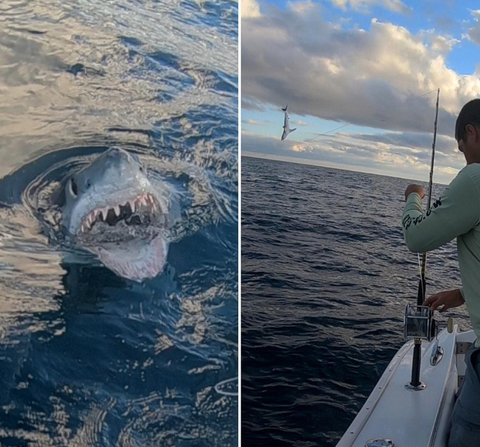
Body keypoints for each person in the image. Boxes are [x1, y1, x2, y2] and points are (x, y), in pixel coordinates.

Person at [402, 98, 480, 446]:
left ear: (470, 132)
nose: (462, 154)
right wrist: (463, 293)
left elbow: (417, 237)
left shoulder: (476, 177)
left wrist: (413, 197)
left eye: (461, 146)